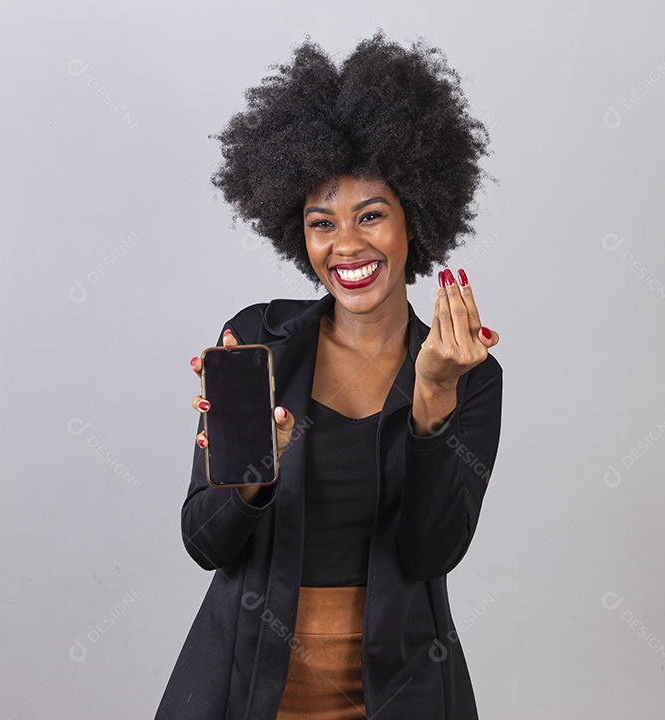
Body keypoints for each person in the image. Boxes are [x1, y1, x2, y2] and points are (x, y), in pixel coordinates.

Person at [155, 31, 503, 720]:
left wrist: (433, 397)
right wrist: (253, 473)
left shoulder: (471, 374)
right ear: (299, 233)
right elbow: (204, 542)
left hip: (398, 694)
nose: (346, 245)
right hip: (244, 687)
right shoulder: (257, 341)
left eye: (370, 215)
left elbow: (433, 552)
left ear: (415, 220)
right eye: (322, 224)